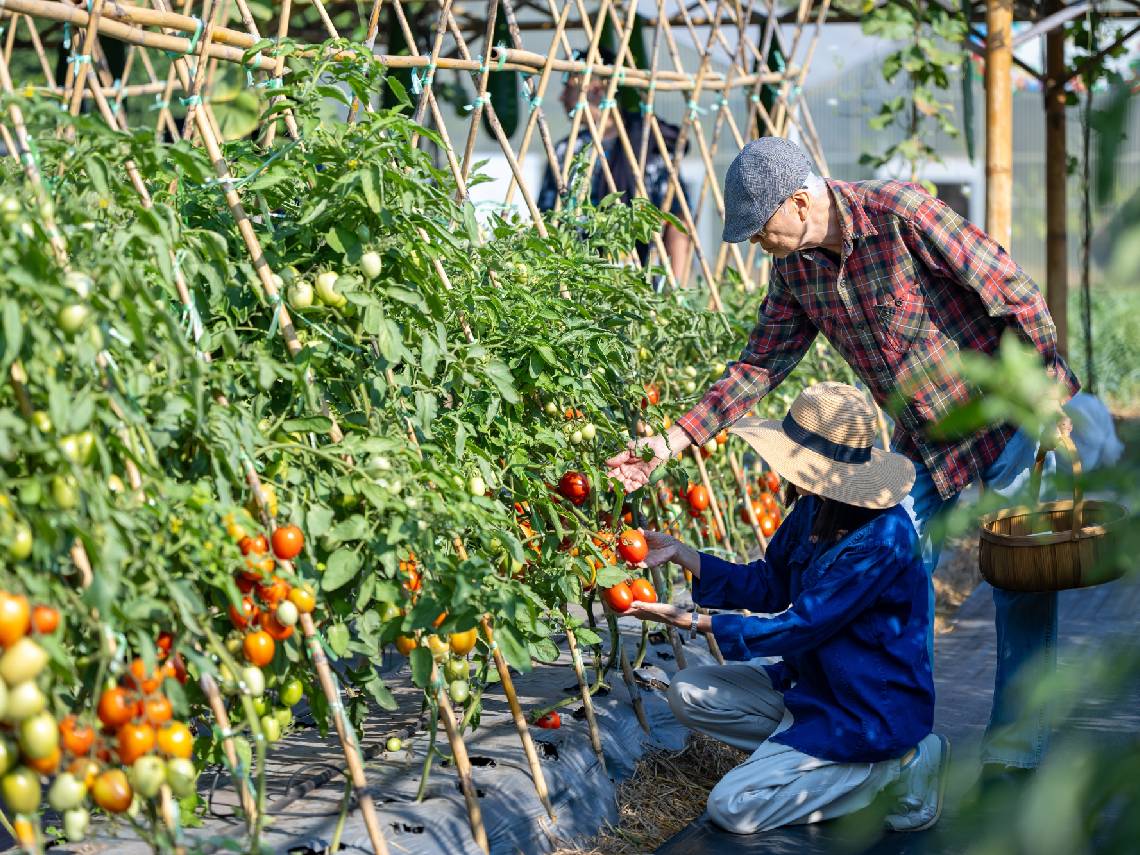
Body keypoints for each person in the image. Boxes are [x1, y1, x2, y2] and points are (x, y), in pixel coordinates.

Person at [606, 137, 1079, 782]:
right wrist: (673, 439)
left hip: (1003, 418)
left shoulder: (903, 217)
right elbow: (759, 363)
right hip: (922, 446)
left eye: (761, 230)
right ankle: (898, 742)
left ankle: (1016, 748)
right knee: (892, 572)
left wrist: (1050, 397)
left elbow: (1014, 293)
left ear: (798, 203)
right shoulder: (797, 268)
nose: (757, 244)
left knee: (1024, 580)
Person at [623, 382, 946, 834]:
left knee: (733, 809)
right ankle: (803, 759)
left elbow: (802, 626)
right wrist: (682, 553)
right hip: (813, 686)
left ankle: (896, 768)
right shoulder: (816, 510)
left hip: (867, 711)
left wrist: (695, 621)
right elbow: (769, 583)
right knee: (688, 691)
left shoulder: (882, 539)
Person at [536, 47, 691, 282]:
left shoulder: (647, 146)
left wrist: (676, 287)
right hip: (577, 282)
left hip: (637, 282)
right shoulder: (565, 151)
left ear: (595, 90)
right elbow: (546, 219)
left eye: (567, 87)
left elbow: (675, 220)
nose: (560, 97)